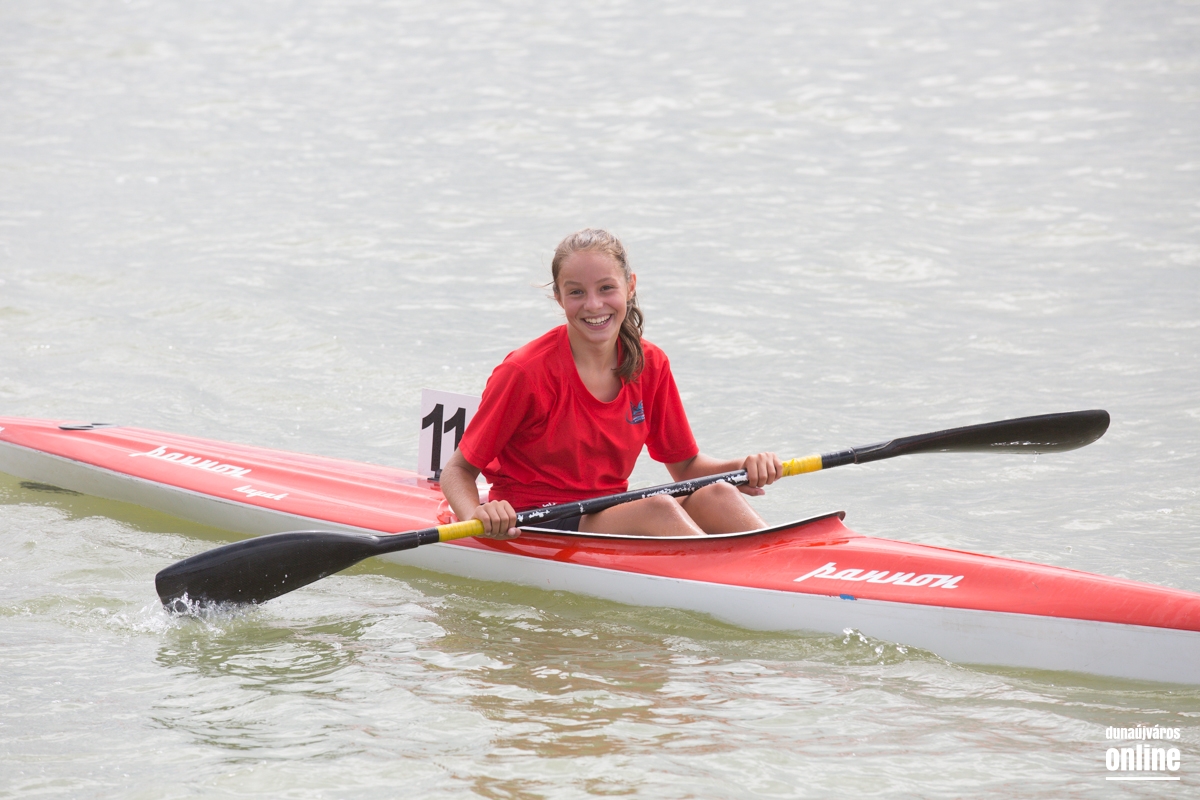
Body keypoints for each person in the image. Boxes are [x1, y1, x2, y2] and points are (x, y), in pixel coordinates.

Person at [440, 229, 781, 539]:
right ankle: (725, 577)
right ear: (559, 297)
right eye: (576, 292)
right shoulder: (523, 372)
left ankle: (786, 560)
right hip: (537, 518)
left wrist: (741, 467)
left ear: (630, 286)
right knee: (658, 509)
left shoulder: (651, 364)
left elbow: (686, 468)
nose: (593, 305)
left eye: (606, 288)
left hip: (607, 511)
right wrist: (476, 516)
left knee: (718, 493)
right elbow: (457, 470)